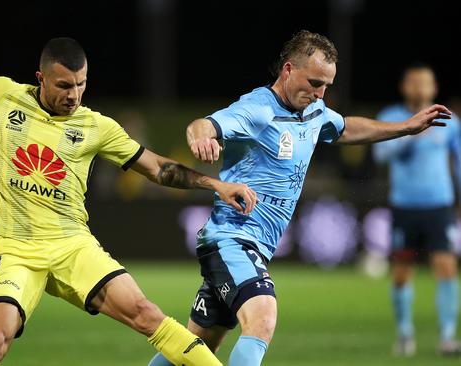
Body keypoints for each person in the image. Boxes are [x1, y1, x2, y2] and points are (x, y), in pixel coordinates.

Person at [0, 37, 259, 366]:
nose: (73, 95)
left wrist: (216, 185)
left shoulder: (96, 126)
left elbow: (158, 168)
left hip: (71, 245)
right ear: (40, 78)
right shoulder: (6, 95)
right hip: (15, 248)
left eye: (80, 85)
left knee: (146, 313)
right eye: (63, 86)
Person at [147, 30, 452, 366]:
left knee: (194, 348)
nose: (320, 93)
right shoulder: (257, 109)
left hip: (257, 246)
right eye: (314, 82)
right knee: (263, 316)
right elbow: (204, 125)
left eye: (327, 86)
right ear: (289, 70)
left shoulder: (315, 110)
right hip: (231, 238)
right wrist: (200, 137)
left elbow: (345, 128)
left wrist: (405, 127)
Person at [373, 63, 461, 356]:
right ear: (404, 87)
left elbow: (459, 161)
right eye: (414, 82)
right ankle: (404, 334)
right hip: (404, 207)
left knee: (447, 269)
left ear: (434, 88)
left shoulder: (449, 120)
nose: (420, 88)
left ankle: (448, 337)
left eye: (425, 82)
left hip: (440, 206)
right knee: (401, 272)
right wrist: (410, 134)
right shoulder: (392, 118)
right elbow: (380, 154)